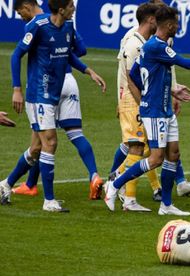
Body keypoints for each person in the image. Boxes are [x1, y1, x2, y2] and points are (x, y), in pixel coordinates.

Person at [104, 5, 190, 216]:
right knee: (156, 158)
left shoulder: (150, 46)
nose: (178, 27)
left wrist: (164, 89)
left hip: (165, 109)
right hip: (155, 111)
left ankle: (166, 205)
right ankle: (114, 185)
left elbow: (135, 73)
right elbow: (188, 64)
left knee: (173, 154)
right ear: (169, 25)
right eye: (176, 24)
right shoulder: (157, 46)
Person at [0, 0, 106, 212]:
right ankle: (49, 201)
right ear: (61, 9)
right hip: (38, 94)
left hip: (54, 93)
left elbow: (68, 55)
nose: (74, 9)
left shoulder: (67, 27)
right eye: (71, 7)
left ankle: (5, 185)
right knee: (50, 142)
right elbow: (16, 55)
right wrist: (16, 89)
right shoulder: (37, 27)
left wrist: (89, 71)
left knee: (37, 148)